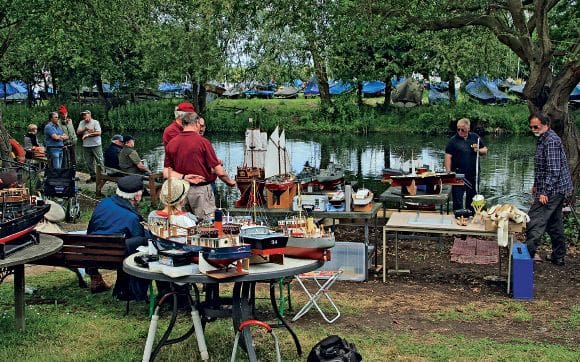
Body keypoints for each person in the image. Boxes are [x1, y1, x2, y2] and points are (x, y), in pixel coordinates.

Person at [87, 175, 150, 299]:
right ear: (137, 196)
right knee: (142, 243)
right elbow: (140, 241)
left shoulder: (103, 204)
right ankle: (129, 290)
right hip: (117, 256)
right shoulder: (132, 217)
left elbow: (91, 228)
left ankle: (96, 276)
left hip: (92, 253)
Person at [164, 112, 236, 221]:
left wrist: (184, 177)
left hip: (180, 190)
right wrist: (229, 182)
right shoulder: (203, 142)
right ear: (197, 123)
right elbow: (219, 171)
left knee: (183, 223)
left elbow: (166, 172)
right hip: (200, 190)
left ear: (183, 124)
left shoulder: (172, 143)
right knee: (208, 224)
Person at [525, 113, 573, 266]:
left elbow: (553, 170)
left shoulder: (551, 141)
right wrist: (536, 184)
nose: (533, 129)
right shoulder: (543, 138)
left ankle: (527, 256)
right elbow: (542, 168)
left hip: (553, 190)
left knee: (534, 219)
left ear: (546, 124)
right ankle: (558, 256)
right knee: (554, 223)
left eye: (536, 126)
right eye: (531, 127)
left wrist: (544, 191)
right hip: (555, 188)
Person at [444, 118, 488, 211]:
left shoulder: (475, 137)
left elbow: (485, 150)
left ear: (468, 128)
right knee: (457, 199)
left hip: (473, 174)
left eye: (463, 129)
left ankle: (471, 215)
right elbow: (448, 156)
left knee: (472, 198)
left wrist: (478, 150)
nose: (460, 131)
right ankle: (458, 216)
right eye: (458, 129)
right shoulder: (453, 141)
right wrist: (448, 172)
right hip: (458, 174)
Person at [76, 110, 104, 182]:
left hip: (96, 145)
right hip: (86, 145)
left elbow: (99, 132)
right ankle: (93, 176)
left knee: (99, 160)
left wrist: (88, 135)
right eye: (83, 115)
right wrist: (84, 129)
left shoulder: (95, 122)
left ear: (90, 115)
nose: (84, 117)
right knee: (88, 162)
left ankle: (103, 176)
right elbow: (78, 132)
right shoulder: (82, 122)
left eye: (85, 115)